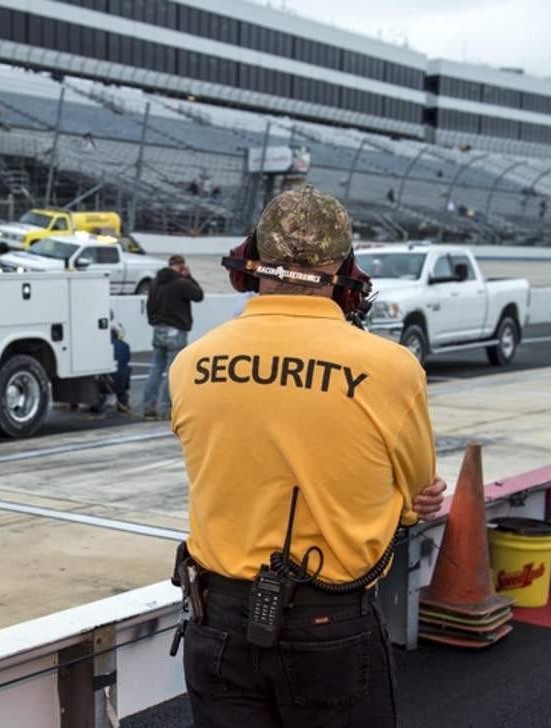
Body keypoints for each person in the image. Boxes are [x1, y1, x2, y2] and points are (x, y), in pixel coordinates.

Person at [167, 186, 446, 728]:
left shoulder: (192, 363)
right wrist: (406, 503)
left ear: (252, 258)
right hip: (328, 624)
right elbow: (418, 497)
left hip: (215, 620)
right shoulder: (392, 369)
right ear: (344, 268)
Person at [139, 254, 203, 420]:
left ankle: (148, 406)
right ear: (181, 266)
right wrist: (189, 277)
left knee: (155, 368)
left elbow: (150, 306)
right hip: (176, 330)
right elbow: (198, 295)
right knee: (172, 370)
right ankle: (165, 408)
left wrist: (154, 321)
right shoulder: (181, 283)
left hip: (158, 328)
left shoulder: (155, 282)